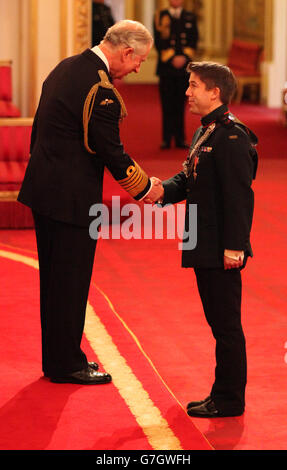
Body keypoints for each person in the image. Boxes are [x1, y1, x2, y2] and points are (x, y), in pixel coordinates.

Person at [17, 20, 158, 385]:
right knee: (70, 282)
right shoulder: (101, 89)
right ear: (126, 52)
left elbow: (40, 129)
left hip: (44, 189)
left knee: (53, 281)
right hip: (72, 200)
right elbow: (112, 152)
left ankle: (58, 359)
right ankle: (67, 364)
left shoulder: (67, 66)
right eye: (139, 61)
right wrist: (147, 190)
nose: (138, 68)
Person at [146, 62, 258, 417]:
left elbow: (240, 197)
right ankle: (221, 392)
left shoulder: (233, 135)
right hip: (203, 242)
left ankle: (230, 399)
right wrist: (161, 189)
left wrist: (235, 247)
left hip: (221, 247)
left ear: (215, 92)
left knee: (226, 326)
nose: (187, 92)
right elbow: (189, 177)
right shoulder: (205, 132)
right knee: (218, 323)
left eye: (194, 86)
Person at [153, 0, 198, 149]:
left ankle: (180, 138)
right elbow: (158, 41)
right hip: (167, 68)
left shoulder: (190, 16)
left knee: (181, 105)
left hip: (183, 68)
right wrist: (172, 57)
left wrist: (184, 56)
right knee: (167, 105)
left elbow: (194, 39)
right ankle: (166, 139)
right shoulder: (160, 16)